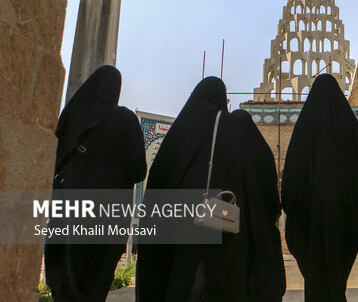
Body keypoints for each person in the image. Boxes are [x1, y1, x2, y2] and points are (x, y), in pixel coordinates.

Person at [136, 77, 253, 302]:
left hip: (172, 224)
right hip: (213, 223)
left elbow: (158, 180)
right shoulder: (227, 126)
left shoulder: (179, 129)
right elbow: (240, 179)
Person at [45, 65, 147, 302]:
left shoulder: (72, 114)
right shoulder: (124, 119)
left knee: (66, 275)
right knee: (93, 278)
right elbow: (138, 171)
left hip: (66, 207)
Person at [281, 74, 358, 302]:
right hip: (343, 216)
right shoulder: (347, 122)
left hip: (309, 222)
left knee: (316, 276)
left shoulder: (306, 124)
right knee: (336, 275)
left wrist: (293, 206)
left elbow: (293, 175)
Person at [231, 109, 286, 302]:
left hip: (231, 231)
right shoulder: (262, 152)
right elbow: (272, 195)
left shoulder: (226, 153)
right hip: (262, 230)